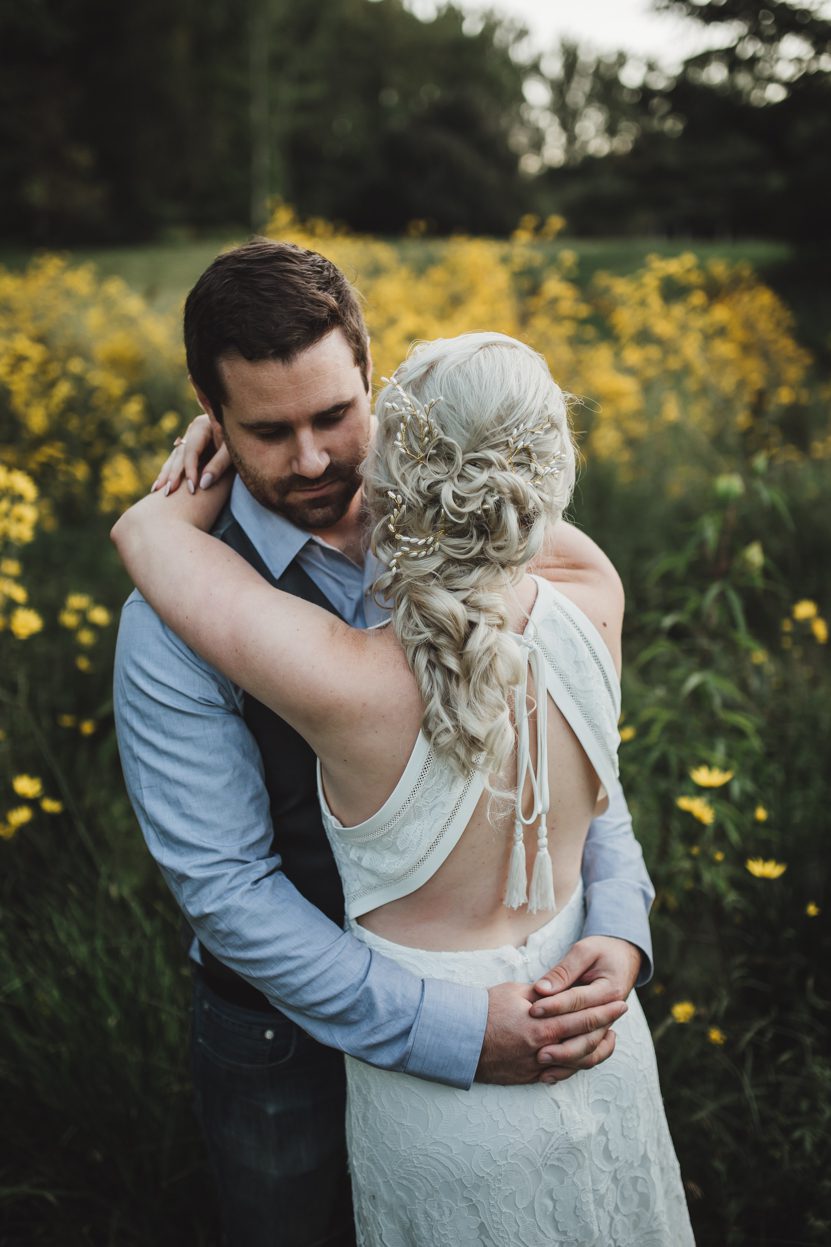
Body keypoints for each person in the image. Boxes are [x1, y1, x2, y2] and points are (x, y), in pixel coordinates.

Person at [113, 240, 658, 1247]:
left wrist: (620, 924)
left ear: (374, 375)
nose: (314, 459)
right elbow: (228, 892)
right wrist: (457, 1030)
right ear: (211, 416)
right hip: (285, 1043)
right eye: (268, 431)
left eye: (333, 415)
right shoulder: (172, 622)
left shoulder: (482, 525)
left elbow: (579, 770)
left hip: (539, 1002)